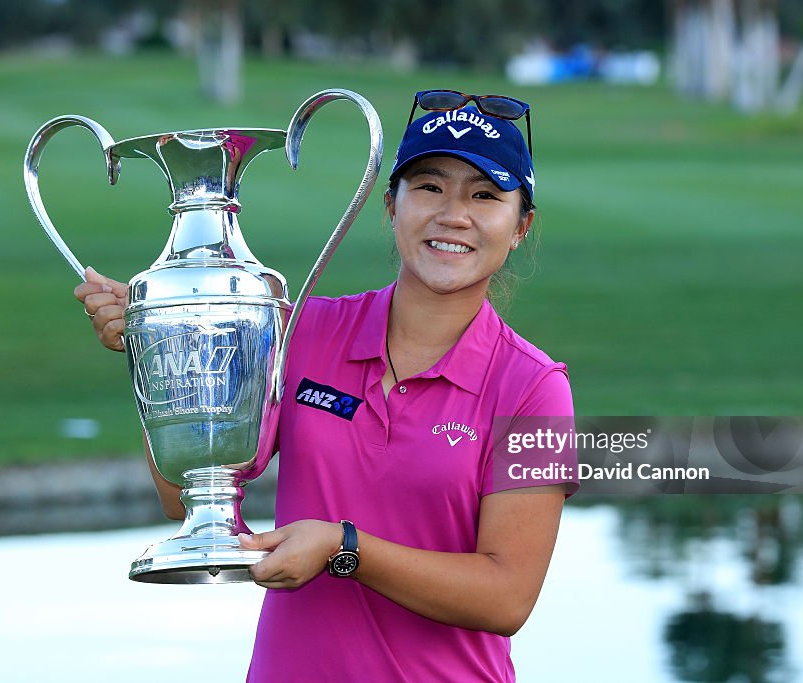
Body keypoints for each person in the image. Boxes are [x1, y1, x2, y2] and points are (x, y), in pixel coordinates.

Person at [75, 90, 580, 682]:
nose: (453, 215)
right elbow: (179, 495)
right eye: (429, 187)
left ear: (521, 226)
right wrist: (163, 355)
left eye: (486, 195)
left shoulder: (538, 390)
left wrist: (347, 549)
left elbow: (506, 597)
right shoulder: (305, 330)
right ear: (391, 205)